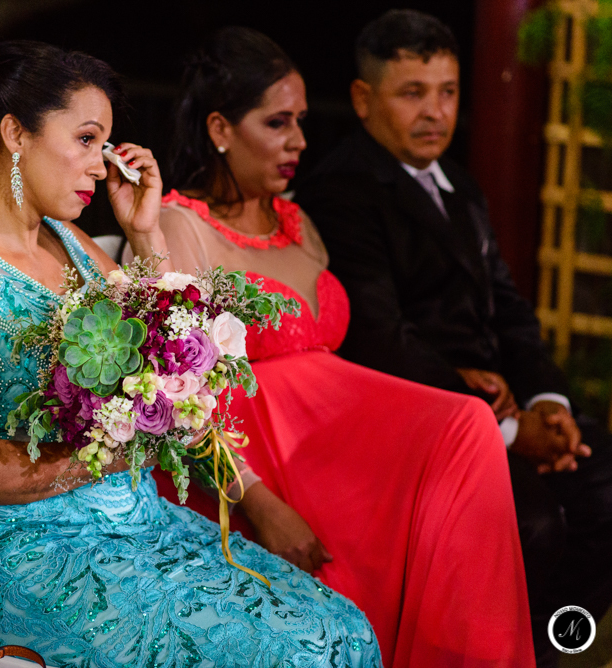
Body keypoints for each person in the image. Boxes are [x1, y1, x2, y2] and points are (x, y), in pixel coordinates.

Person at [0, 40, 381, 667]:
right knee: (293, 653)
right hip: (20, 549)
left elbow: (165, 342)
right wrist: (107, 454)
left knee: (343, 627)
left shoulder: (66, 240)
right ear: (16, 133)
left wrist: (143, 230)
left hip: (138, 522)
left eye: (106, 145)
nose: (101, 166)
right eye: (87, 140)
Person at [125, 26, 534, 667]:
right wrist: (261, 504)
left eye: (302, 122)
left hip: (334, 439)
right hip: (258, 461)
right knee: (465, 428)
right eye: (278, 123)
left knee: (467, 427)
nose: (299, 142)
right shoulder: (174, 226)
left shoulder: (299, 222)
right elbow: (173, 395)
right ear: (221, 129)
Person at [295, 10, 612, 666]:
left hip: (505, 405)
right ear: (364, 98)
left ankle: (543, 648)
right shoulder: (344, 189)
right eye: (413, 93)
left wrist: (547, 404)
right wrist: (509, 435)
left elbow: (511, 314)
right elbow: (380, 338)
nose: (435, 111)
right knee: (536, 525)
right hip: (422, 417)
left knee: (605, 492)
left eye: (447, 92)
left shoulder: (460, 184)